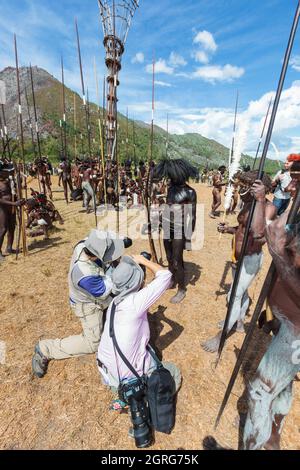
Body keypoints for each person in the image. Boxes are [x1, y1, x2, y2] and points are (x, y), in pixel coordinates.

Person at [242, 159, 300, 450]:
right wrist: (260, 201)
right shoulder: (298, 215)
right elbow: (259, 233)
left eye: (298, 180)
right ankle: (272, 439)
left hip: (296, 335)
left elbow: (278, 252)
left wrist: (278, 255)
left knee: (258, 393)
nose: (290, 186)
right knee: (281, 390)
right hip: (287, 328)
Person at [32, 230, 129, 378]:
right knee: (93, 343)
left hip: (97, 295)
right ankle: (45, 348)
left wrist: (121, 241)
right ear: (97, 255)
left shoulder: (85, 244)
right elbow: (107, 289)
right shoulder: (85, 275)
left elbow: (104, 237)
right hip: (88, 305)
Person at [202, 170, 276, 353]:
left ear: (260, 189)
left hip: (250, 260)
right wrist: (229, 229)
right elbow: (241, 229)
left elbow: (259, 236)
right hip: (237, 257)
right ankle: (239, 321)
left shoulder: (268, 208)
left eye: (246, 186)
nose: (241, 189)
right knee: (240, 293)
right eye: (241, 185)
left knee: (233, 294)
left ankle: (222, 335)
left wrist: (259, 201)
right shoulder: (247, 202)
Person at [97, 254, 181, 393]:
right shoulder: (135, 303)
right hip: (129, 378)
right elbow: (165, 275)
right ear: (135, 282)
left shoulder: (114, 302)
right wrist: (143, 260)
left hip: (108, 370)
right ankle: (145, 395)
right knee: (173, 372)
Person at [153, 159, 198, 304]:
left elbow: (193, 216)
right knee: (169, 257)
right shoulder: (171, 188)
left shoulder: (190, 192)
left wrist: (189, 237)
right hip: (167, 227)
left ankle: (182, 289)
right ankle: (172, 280)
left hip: (180, 230)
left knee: (178, 261)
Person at [0, 163, 25, 261]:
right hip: (3, 209)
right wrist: (14, 204)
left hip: (13, 208)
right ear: (1, 173)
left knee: (12, 227)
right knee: (3, 229)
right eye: (7, 171)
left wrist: (20, 200)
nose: (10, 173)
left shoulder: (10, 181)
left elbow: (15, 192)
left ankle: (9, 248)